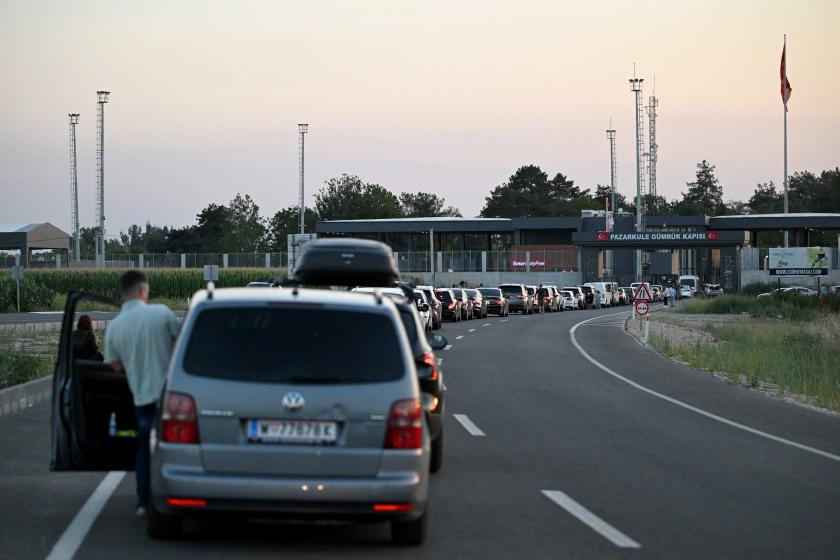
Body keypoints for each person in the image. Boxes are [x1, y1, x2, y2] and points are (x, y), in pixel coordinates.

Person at [105, 270, 180, 517]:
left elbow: (116, 367)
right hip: (173, 399)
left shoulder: (114, 327)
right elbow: (181, 346)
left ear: (123, 293)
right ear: (143, 290)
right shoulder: (162, 314)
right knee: (174, 449)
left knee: (144, 449)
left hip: (142, 399)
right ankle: (177, 494)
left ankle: (143, 502)